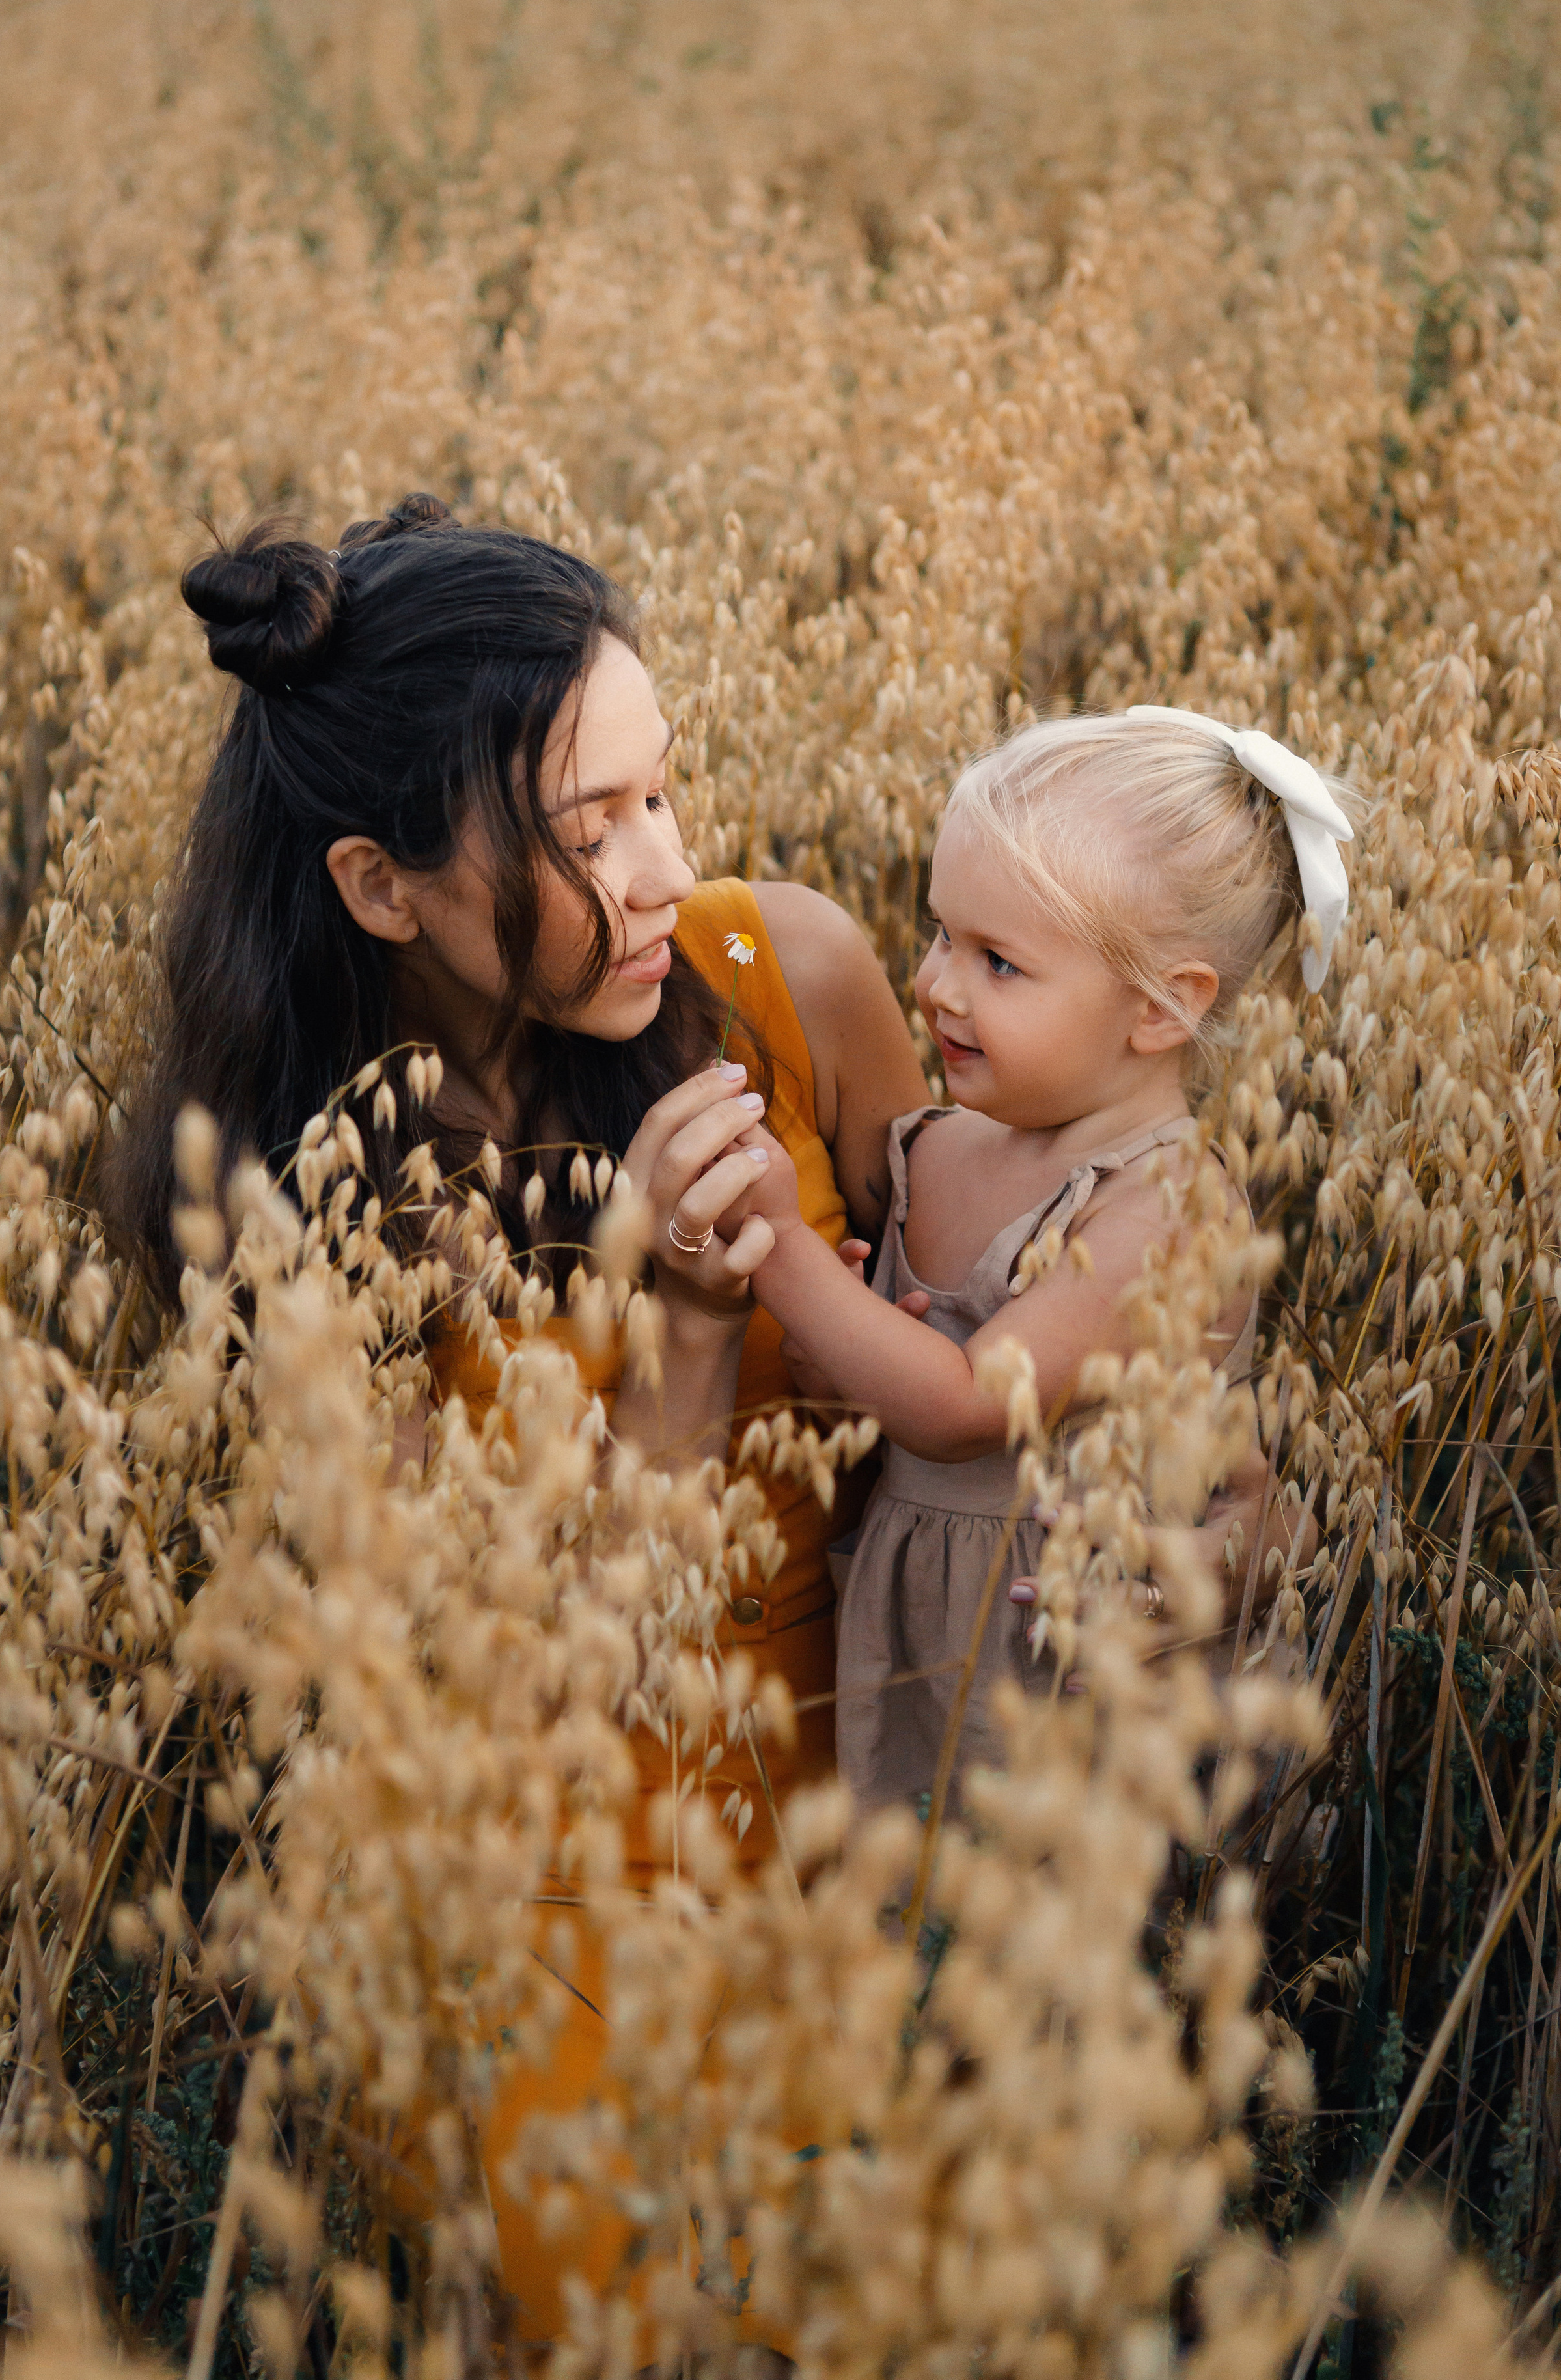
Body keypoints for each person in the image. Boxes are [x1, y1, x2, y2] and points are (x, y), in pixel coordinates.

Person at [110, 493, 931, 2347]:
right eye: (587, 831)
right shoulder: (301, 1233)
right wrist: (691, 1334)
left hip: (895, 1802)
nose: (664, 867)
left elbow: (1011, 1292)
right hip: (553, 1908)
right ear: (379, 886)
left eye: (662, 792)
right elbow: (524, 1709)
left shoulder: (779, 978)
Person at [737, 708, 1353, 1816]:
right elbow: (886, 1401)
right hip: (923, 1632)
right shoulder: (930, 1149)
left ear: (1163, 1009)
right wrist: (838, 1381)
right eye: (940, 936)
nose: (938, 987)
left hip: (1063, 1673)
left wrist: (784, 1250)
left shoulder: (1163, 1207)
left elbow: (971, 1404)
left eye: (1000, 963)